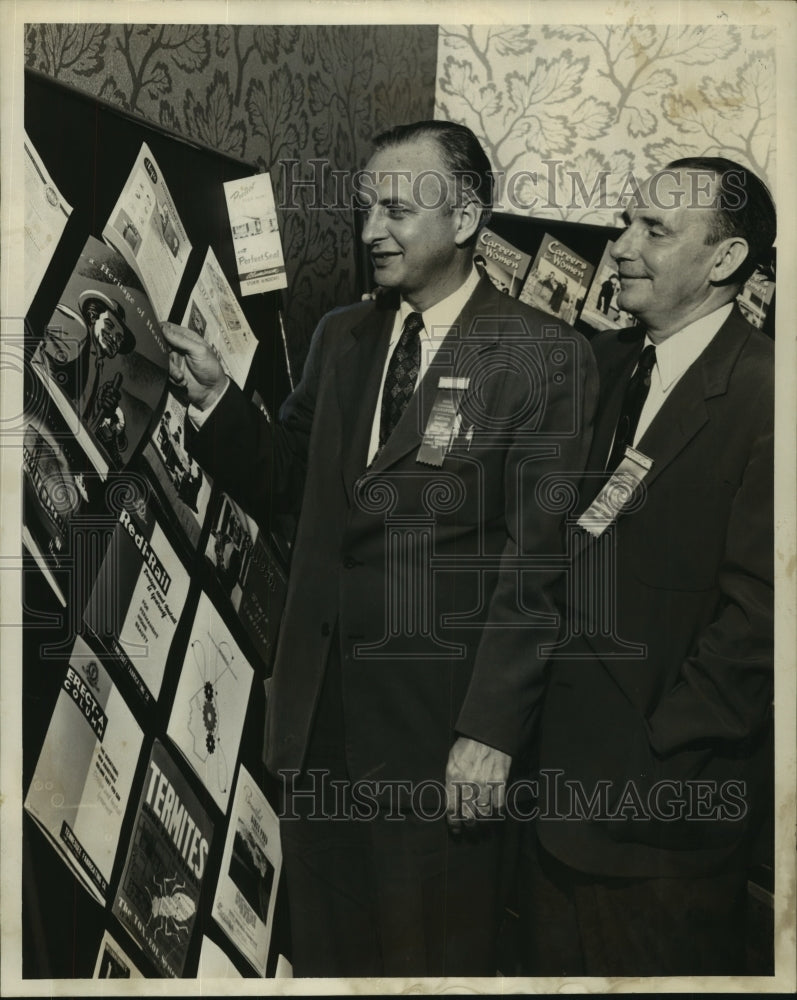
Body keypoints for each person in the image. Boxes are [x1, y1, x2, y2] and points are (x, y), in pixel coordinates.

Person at [163, 119, 597, 977]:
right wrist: (215, 401)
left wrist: (490, 732)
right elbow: (289, 478)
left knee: (427, 960)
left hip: (438, 741)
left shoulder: (545, 356)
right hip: (317, 722)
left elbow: (536, 568)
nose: (369, 233)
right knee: (327, 956)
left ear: (466, 218)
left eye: (396, 210)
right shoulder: (341, 337)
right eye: (366, 209)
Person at [519, 156, 776, 976]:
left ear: (725, 261)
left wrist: (654, 748)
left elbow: (761, 623)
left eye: (654, 231)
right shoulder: (604, 363)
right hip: (547, 800)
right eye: (626, 220)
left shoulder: (770, 397)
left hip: (659, 828)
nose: (620, 244)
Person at [38, 288, 136, 427]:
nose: (114, 338)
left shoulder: (97, 367)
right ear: (92, 316)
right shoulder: (78, 331)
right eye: (109, 325)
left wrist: (100, 409)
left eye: (119, 337)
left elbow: (81, 419)